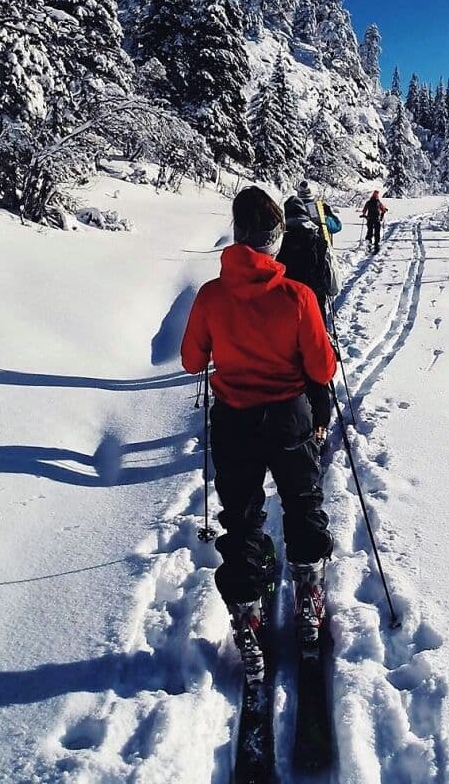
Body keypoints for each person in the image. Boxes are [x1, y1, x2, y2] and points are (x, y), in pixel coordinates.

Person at [181, 187, 336, 685]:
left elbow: (191, 361)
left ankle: (247, 617)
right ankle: (309, 600)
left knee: (243, 520)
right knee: (302, 504)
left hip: (234, 422)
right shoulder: (297, 295)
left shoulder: (211, 295)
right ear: (274, 240)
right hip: (289, 417)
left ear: (237, 234)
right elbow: (322, 368)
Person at [280, 193, 338, 324]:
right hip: (315, 307)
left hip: (285, 310)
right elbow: (333, 285)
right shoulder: (320, 242)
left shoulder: (278, 245)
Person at [361, 189, 388, 254]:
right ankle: (376, 245)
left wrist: (364, 214)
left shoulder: (368, 202)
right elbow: (383, 209)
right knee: (377, 232)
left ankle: (368, 244)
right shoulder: (378, 202)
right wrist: (384, 211)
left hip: (369, 219)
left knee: (369, 231)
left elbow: (364, 210)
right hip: (376, 219)